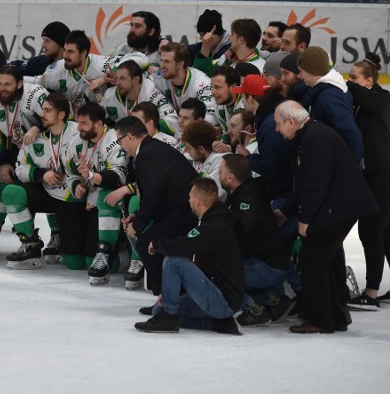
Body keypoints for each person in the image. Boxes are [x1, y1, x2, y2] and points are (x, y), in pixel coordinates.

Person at [274, 100, 378, 333]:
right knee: (327, 261)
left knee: (312, 261)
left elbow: (316, 184)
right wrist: (286, 210)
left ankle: (321, 320)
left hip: (340, 207)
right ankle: (336, 316)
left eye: (278, 124)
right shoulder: (308, 136)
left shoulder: (314, 139)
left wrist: (305, 218)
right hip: (339, 205)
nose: (277, 129)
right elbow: (304, 184)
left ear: (291, 122)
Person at [134, 177, 244, 335]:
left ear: (197, 202)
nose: (189, 201)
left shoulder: (214, 227)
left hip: (223, 300)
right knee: (158, 309)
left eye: (190, 197)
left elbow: (181, 246)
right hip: (218, 294)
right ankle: (218, 324)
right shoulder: (213, 222)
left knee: (173, 260)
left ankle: (169, 319)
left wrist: (156, 244)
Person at [115, 116, 198, 307]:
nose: (120, 146)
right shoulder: (152, 149)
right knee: (151, 243)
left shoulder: (147, 154)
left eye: (119, 140)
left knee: (146, 244)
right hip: (179, 210)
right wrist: (139, 217)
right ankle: (168, 298)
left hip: (185, 213)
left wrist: (138, 224)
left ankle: (167, 300)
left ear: (129, 137)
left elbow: (153, 194)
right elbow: (156, 193)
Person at [2, 92, 84, 269]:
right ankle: (29, 243)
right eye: (42, 110)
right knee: (12, 192)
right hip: (46, 193)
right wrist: (41, 173)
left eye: (48, 111)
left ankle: (64, 238)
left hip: (73, 197)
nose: (42, 114)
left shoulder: (78, 132)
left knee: (74, 262)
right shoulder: (33, 138)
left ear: (61, 114)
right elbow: (20, 168)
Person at [0, 65, 48, 256]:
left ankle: (56, 235)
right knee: (2, 179)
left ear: (19, 84)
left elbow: (58, 117)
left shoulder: (36, 95)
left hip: (48, 149)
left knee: (51, 186)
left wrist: (38, 127)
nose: (2, 88)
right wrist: (3, 162)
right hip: (18, 149)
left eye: (7, 84)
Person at [219, 154, 292, 326]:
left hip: (268, 266)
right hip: (269, 261)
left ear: (230, 177)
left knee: (219, 272)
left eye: (221, 171)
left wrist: (220, 216)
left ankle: (254, 309)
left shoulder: (247, 196)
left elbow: (244, 223)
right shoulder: (238, 192)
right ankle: (274, 300)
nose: (219, 175)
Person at [346, 54, 390, 309]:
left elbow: (369, 103)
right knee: (384, 234)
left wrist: (343, 83)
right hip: (376, 175)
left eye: (354, 78)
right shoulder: (365, 101)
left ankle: (371, 294)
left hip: (382, 176)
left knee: (370, 231)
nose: (350, 82)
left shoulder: (380, 97)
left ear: (369, 81)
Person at [72, 102, 128, 284]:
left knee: (105, 197)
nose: (79, 127)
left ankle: (127, 257)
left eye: (83, 123)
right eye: (78, 122)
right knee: (84, 261)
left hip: (117, 198)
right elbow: (69, 173)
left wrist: (90, 178)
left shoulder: (113, 140)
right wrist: (78, 186)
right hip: (93, 200)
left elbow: (118, 178)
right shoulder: (79, 141)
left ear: (98, 124)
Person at [232, 75, 291, 206]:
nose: (242, 101)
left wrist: (248, 157)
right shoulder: (269, 116)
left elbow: (272, 166)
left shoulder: (270, 125)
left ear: (251, 99)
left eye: (243, 97)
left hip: (284, 193)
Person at [298, 46, 363, 163]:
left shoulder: (328, 97)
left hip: (336, 166)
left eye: (301, 71)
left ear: (311, 70)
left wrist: (349, 167)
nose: (300, 76)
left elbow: (350, 132)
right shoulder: (323, 91)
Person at [38, 29, 110, 118]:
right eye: (65, 50)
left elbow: (130, 62)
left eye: (70, 52)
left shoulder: (101, 64)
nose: (65, 55)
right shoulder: (56, 70)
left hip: (104, 121)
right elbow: (38, 83)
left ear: (83, 53)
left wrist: (103, 79)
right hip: (74, 124)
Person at [101, 59, 178, 135]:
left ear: (135, 79)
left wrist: (142, 122)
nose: (117, 83)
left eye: (122, 78)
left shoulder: (151, 94)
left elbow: (173, 122)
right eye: (117, 78)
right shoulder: (109, 95)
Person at [150, 42, 215, 126]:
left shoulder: (201, 84)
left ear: (180, 64)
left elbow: (211, 116)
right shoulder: (160, 75)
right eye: (161, 61)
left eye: (167, 62)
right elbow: (147, 84)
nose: (162, 66)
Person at [195, 18, 265, 76]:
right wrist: (206, 46)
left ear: (241, 40)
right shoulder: (227, 60)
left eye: (232, 35)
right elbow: (203, 73)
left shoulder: (261, 69)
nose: (229, 38)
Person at [181, 120, 228, 199]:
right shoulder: (198, 160)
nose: (186, 151)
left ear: (201, 149)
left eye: (189, 148)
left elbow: (212, 197)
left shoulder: (221, 162)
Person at [209, 66, 244, 152]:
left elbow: (249, 143)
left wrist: (229, 148)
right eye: (212, 87)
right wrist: (222, 142)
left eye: (217, 87)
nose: (213, 92)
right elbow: (227, 132)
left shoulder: (244, 105)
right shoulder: (219, 102)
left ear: (233, 87)